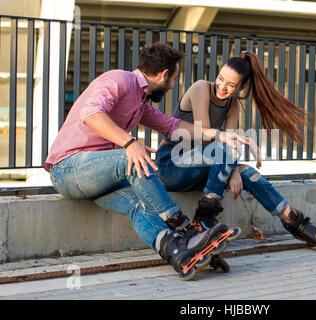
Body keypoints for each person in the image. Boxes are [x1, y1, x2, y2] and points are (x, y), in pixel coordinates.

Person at [45, 42, 249, 278]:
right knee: (132, 159)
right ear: (164, 75)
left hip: (100, 177)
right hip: (68, 169)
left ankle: (177, 251)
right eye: (174, 79)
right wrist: (130, 144)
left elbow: (172, 126)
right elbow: (91, 113)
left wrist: (218, 134)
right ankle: (183, 228)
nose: (173, 85)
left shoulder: (140, 103)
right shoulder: (118, 80)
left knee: (138, 205)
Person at [155, 51, 316, 251]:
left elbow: (226, 145)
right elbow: (205, 136)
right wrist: (239, 156)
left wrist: (235, 171)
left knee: (248, 173)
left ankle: (293, 220)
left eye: (231, 85)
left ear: (242, 87)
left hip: (201, 165)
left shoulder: (233, 105)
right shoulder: (201, 88)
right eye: (220, 79)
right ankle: (204, 218)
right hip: (171, 164)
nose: (222, 87)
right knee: (224, 151)